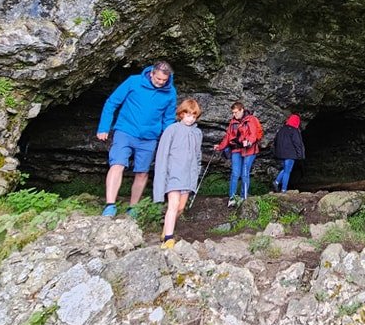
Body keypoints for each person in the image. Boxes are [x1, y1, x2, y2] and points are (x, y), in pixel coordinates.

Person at [96, 61, 177, 217]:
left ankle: (133, 208)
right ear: (152, 73)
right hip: (125, 131)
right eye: (158, 79)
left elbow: (168, 119)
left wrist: (167, 141)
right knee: (117, 164)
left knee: (142, 172)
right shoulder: (133, 81)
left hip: (149, 137)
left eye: (164, 80)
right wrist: (104, 127)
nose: (160, 83)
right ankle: (110, 205)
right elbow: (112, 102)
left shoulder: (170, 92)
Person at [152, 98, 203, 248]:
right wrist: (163, 175)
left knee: (180, 208)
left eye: (193, 116)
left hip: (188, 176)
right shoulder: (172, 130)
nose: (190, 119)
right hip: (173, 174)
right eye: (187, 115)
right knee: (173, 205)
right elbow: (162, 154)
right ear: (181, 114)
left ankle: (166, 229)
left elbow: (198, 154)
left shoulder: (197, 133)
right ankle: (168, 238)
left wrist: (197, 171)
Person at [214, 101, 263, 206]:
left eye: (236, 112)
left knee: (245, 173)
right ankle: (232, 198)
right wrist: (220, 146)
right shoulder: (233, 122)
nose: (234, 115)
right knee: (235, 173)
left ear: (242, 110)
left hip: (249, 150)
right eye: (233, 112)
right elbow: (228, 136)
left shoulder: (251, 120)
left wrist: (249, 142)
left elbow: (253, 134)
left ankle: (243, 198)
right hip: (236, 149)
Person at [271, 113, 305, 192]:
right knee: (287, 171)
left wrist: (276, 152)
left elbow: (275, 141)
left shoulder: (282, 129)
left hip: (281, 154)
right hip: (290, 154)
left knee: (285, 169)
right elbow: (297, 143)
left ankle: (276, 182)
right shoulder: (294, 130)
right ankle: (283, 189)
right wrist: (300, 155)